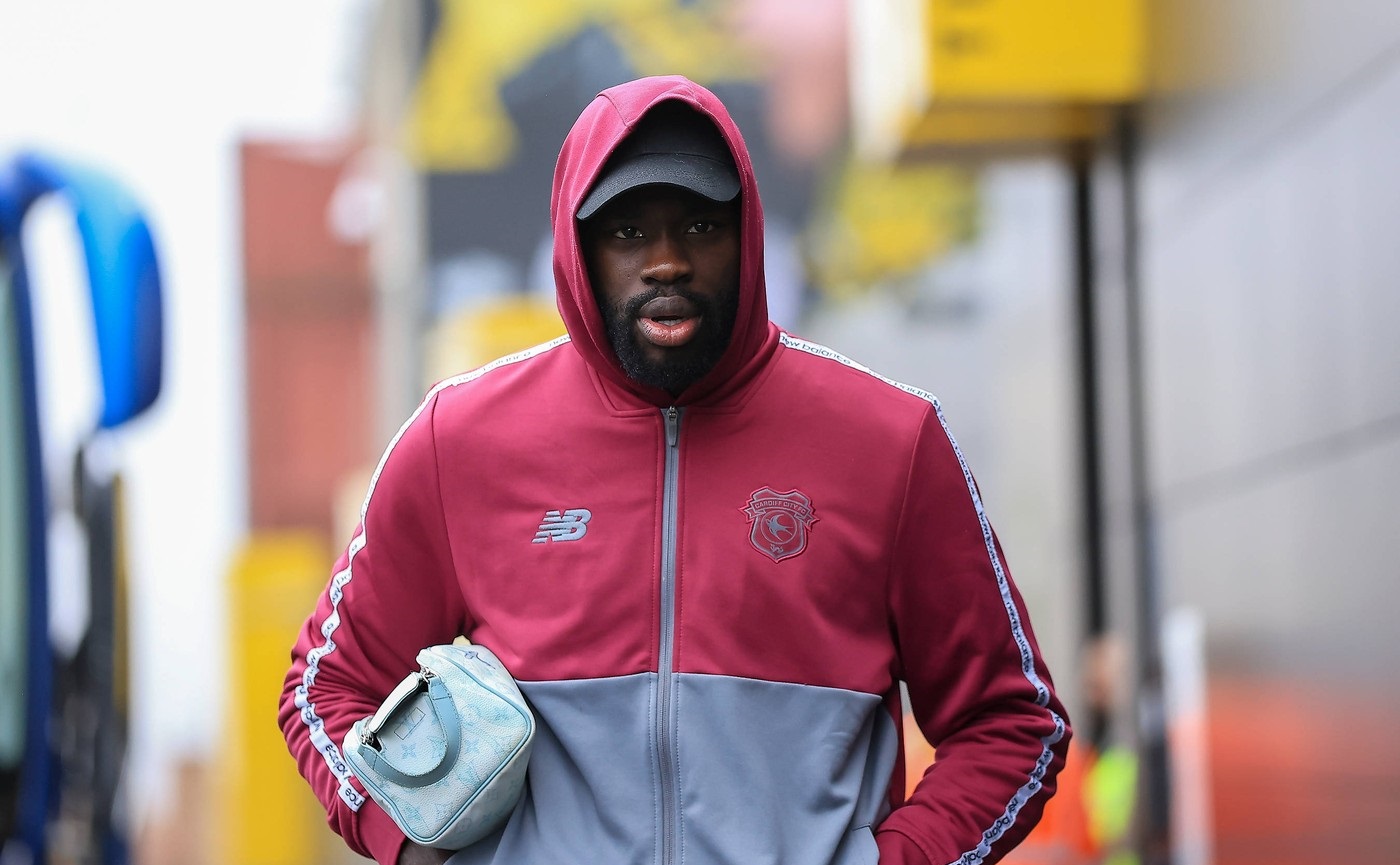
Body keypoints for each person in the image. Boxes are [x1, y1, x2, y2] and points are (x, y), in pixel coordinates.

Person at [279, 75, 1071, 865]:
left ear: (748, 233)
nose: (666, 263)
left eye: (698, 224)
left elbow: (1013, 723)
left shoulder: (892, 442)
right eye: (627, 233)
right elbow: (323, 689)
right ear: (576, 246)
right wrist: (409, 843)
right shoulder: (461, 441)